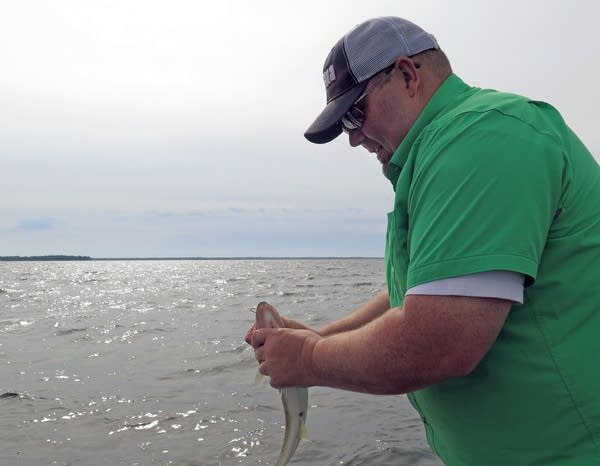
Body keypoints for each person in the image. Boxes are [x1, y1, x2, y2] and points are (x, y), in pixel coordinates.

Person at [245, 16, 600, 466]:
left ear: (408, 76)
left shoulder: (482, 137)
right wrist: (321, 337)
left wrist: (311, 358)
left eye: (355, 113)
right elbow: (421, 291)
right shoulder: (446, 150)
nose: (353, 138)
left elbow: (441, 338)